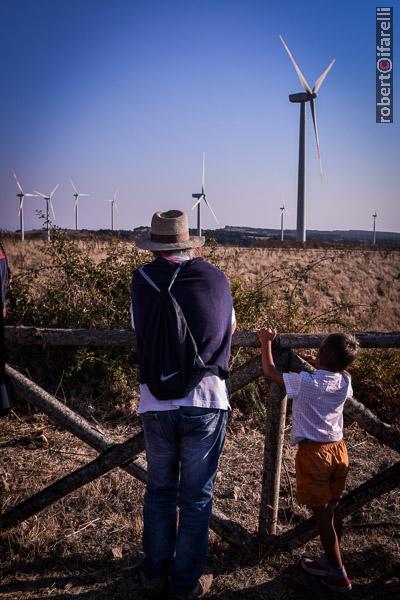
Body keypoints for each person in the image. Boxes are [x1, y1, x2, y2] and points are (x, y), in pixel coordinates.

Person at [131, 210, 235, 600]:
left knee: (159, 490)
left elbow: (138, 329)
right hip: (206, 399)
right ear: (189, 242)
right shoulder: (216, 278)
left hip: (156, 401)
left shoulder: (141, 281)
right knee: (196, 497)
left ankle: (155, 573)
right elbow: (229, 327)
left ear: (155, 245)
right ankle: (186, 583)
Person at [257, 328, 359, 593]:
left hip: (314, 455)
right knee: (334, 508)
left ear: (321, 354)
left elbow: (269, 372)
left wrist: (266, 342)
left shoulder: (305, 382)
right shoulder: (345, 380)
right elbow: (329, 377)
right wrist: (321, 364)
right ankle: (330, 559)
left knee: (323, 516)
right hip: (339, 450)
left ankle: (338, 573)